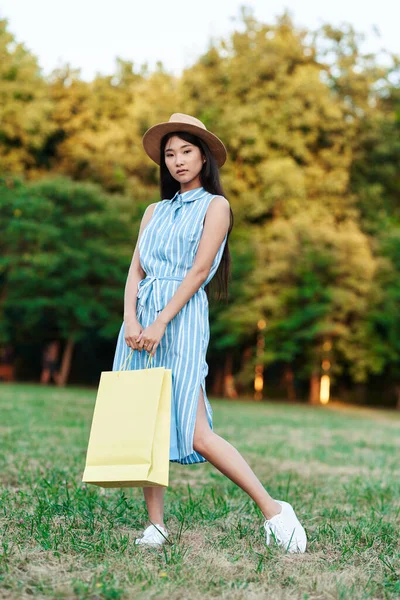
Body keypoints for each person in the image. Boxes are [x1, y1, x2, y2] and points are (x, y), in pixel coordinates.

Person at [112, 113, 307, 553]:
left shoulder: (215, 206)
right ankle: (156, 526)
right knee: (148, 424)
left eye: (186, 151)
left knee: (198, 432)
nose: (178, 161)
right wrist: (131, 319)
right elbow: (135, 271)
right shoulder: (153, 211)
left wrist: (162, 320)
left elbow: (200, 270)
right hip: (140, 321)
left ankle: (275, 511)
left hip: (179, 320)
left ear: (203, 156)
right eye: (170, 154)